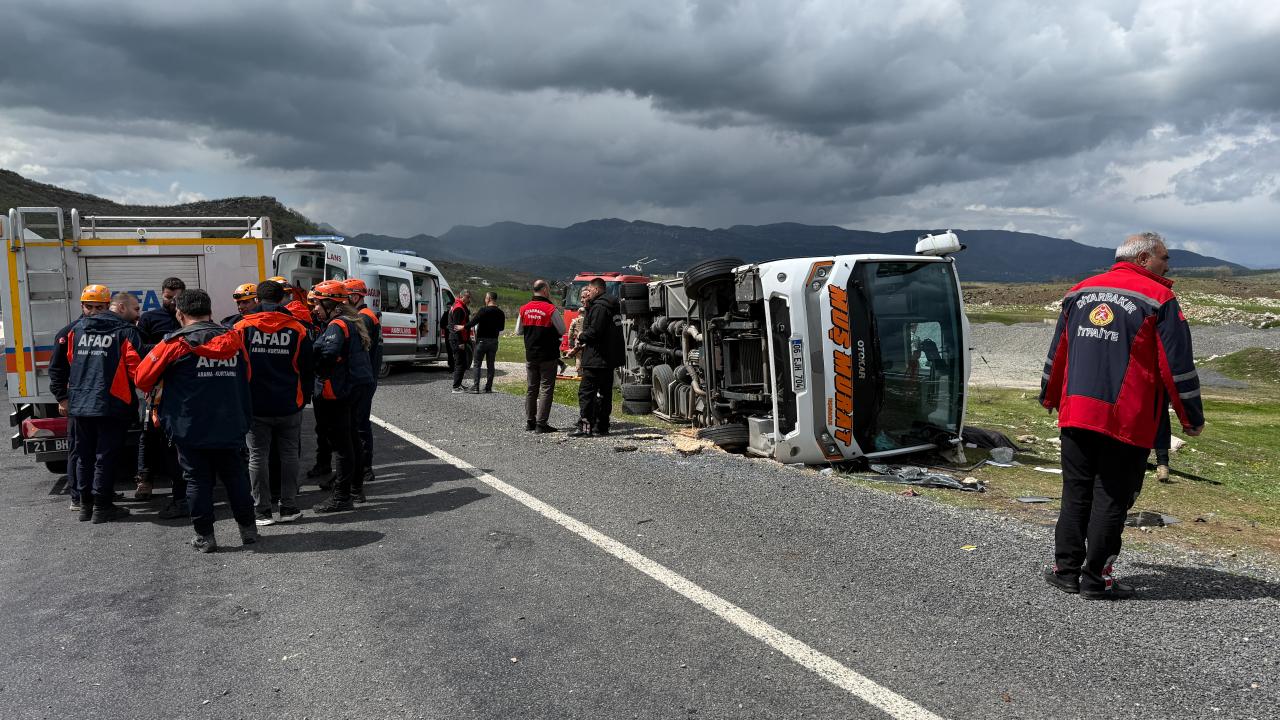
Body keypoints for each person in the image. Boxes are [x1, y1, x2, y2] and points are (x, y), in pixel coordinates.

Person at [1040, 232, 1205, 600]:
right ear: (1144, 258)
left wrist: (1049, 396)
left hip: (1077, 413)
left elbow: (1059, 351)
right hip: (1126, 418)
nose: (1168, 265)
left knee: (1076, 492)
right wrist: (1191, 418)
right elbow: (1177, 367)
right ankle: (1096, 579)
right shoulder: (1160, 298)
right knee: (1111, 496)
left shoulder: (1079, 291)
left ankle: (1066, 571)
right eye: (1165, 258)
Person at [135, 289, 258, 552]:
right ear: (209, 311)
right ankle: (248, 530)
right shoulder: (234, 338)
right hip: (230, 422)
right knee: (235, 477)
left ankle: (205, 536)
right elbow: (246, 375)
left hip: (189, 426)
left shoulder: (173, 344)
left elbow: (141, 378)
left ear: (179, 313)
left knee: (197, 481)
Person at [56, 286, 145, 523]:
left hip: (80, 403)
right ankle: (102, 507)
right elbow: (138, 370)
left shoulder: (76, 330)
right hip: (113, 403)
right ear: (112, 306)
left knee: (84, 456)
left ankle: (85, 506)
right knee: (105, 456)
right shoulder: (126, 331)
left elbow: (71, 362)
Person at [235, 280, 313, 526]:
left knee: (257, 457)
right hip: (289, 403)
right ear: (282, 300)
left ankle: (262, 511)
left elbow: (235, 368)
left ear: (257, 299)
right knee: (290, 455)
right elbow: (308, 370)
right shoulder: (298, 329)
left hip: (254, 404)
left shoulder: (241, 328)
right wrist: (305, 399)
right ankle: (288, 507)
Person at [309, 280, 374, 512]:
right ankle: (356, 490)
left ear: (332, 304)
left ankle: (342, 496)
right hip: (356, 386)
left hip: (339, 390)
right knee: (353, 441)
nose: (315, 308)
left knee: (342, 445)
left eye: (317, 303)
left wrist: (315, 369)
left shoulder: (336, 325)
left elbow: (328, 354)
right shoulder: (353, 320)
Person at [135, 276, 185, 503]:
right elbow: (138, 349)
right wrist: (165, 348)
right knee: (148, 434)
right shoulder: (149, 318)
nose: (173, 301)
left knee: (179, 434)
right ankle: (145, 479)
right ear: (161, 295)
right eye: (168, 297)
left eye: (177, 297)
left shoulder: (188, 318)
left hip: (183, 387)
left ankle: (181, 480)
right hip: (155, 385)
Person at [570, 278, 625, 437]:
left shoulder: (600, 307)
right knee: (604, 393)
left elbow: (595, 333)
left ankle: (585, 427)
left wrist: (582, 335)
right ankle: (601, 427)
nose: (588, 293)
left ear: (597, 289)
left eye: (590, 289)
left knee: (586, 393)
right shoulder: (613, 306)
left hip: (596, 358)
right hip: (608, 359)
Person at [344, 278, 382, 483]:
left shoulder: (363, 318)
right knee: (358, 423)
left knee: (360, 424)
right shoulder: (365, 315)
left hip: (364, 379)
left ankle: (365, 467)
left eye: (345, 297)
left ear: (355, 297)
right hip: (368, 376)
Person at [516, 280, 565, 432]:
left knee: (531, 389)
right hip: (548, 355)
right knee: (546, 389)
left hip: (531, 354)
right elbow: (562, 330)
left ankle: (530, 421)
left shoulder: (523, 309)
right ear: (544, 290)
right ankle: (541, 424)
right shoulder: (551, 309)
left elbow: (519, 331)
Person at [467, 291, 505, 393]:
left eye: (485, 298)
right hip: (493, 341)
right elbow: (501, 328)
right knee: (490, 365)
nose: (485, 300)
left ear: (489, 299)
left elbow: (473, 322)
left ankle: (476, 387)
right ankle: (488, 387)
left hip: (482, 341)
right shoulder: (501, 313)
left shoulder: (483, 310)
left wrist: (463, 327)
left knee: (477, 364)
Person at [449, 290, 474, 393]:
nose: (469, 299)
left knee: (463, 363)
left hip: (460, 339)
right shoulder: (459, 308)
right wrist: (460, 342)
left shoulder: (460, 306)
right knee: (460, 363)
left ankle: (458, 384)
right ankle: (455, 387)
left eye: (469, 297)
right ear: (462, 296)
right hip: (457, 339)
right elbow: (456, 327)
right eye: (468, 297)